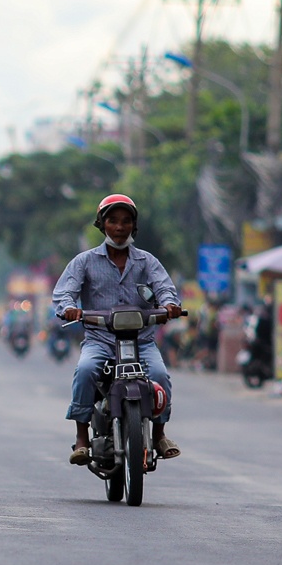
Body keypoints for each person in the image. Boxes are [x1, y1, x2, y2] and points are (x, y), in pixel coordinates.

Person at [52, 194, 182, 466]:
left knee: (159, 374)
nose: (119, 227)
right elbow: (64, 292)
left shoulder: (147, 262)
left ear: (134, 226)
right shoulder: (84, 261)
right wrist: (69, 308)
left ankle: (160, 434)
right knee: (86, 370)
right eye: (113, 221)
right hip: (100, 341)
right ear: (102, 225)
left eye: (126, 222)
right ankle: (82, 438)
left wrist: (170, 305)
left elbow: (165, 288)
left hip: (141, 342)